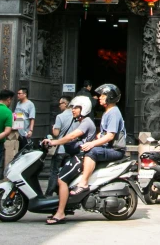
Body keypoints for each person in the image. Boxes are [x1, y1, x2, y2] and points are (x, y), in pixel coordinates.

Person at [41, 96, 97, 224]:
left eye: (76, 107)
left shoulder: (86, 122)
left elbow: (71, 136)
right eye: (72, 107)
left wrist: (54, 142)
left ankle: (60, 214)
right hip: (76, 155)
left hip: (82, 156)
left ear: (84, 109)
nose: (73, 110)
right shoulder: (82, 121)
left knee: (61, 179)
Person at [69, 84, 126, 196]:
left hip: (115, 149)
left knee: (92, 151)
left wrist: (92, 144)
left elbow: (110, 136)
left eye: (103, 95)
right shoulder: (107, 112)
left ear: (110, 97)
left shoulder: (114, 112)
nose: (99, 97)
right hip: (107, 147)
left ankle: (83, 183)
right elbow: (104, 133)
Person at [46, 95, 73, 195]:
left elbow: (56, 134)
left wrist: (53, 128)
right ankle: (64, 193)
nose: (59, 106)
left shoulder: (60, 116)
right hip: (71, 149)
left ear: (65, 104)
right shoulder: (75, 116)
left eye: (60, 103)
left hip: (60, 149)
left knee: (54, 172)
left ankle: (49, 194)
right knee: (67, 173)